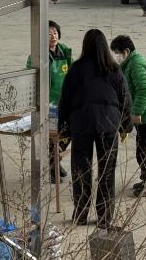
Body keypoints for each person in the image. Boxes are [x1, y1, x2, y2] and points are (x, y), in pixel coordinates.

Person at [58, 29, 132, 228]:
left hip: (81, 124)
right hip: (108, 125)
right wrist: (125, 125)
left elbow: (64, 100)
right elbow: (125, 98)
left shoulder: (75, 69)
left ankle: (81, 214)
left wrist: (63, 131)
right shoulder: (114, 69)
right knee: (107, 171)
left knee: (81, 170)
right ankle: (105, 217)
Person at [109, 35, 146, 198]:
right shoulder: (130, 63)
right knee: (143, 149)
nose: (116, 56)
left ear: (126, 51)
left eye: (117, 53)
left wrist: (137, 113)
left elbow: (144, 91)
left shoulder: (136, 65)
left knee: (144, 151)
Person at [26, 21, 72, 179]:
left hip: (64, 101)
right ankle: (52, 166)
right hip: (46, 103)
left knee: (67, 132)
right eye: (49, 33)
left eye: (55, 32)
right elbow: (29, 78)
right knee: (51, 134)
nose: (53, 36)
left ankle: (55, 161)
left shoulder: (65, 52)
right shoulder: (37, 55)